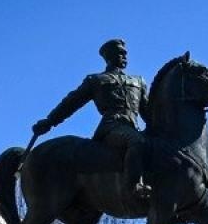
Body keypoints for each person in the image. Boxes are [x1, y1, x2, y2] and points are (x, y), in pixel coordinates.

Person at [34, 38, 152, 200]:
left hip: (132, 127)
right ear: (109, 56)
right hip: (111, 128)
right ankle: (134, 187)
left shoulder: (138, 82)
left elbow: (147, 112)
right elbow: (71, 103)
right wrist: (50, 121)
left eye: (125, 54)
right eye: (120, 53)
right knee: (137, 141)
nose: (125, 57)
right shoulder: (96, 81)